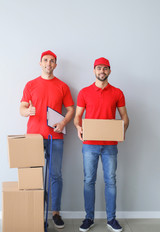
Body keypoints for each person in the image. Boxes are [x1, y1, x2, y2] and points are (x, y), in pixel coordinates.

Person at [20, 50, 74, 229]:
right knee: (33, 175)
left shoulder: (62, 86)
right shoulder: (31, 84)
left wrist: (64, 122)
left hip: (55, 136)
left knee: (55, 175)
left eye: (52, 61)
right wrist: (27, 111)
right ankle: (34, 212)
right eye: (45, 60)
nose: (48, 64)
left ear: (55, 65)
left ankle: (55, 213)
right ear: (40, 63)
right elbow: (22, 107)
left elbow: (71, 109)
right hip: (34, 135)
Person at [74, 57, 129, 232]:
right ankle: (88, 218)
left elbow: (125, 117)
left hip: (110, 145)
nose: (102, 71)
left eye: (105, 68)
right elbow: (77, 116)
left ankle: (111, 219)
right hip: (89, 144)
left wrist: (122, 130)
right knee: (89, 180)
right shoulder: (84, 92)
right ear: (94, 70)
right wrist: (78, 127)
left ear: (110, 71)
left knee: (110, 181)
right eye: (99, 68)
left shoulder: (117, 93)